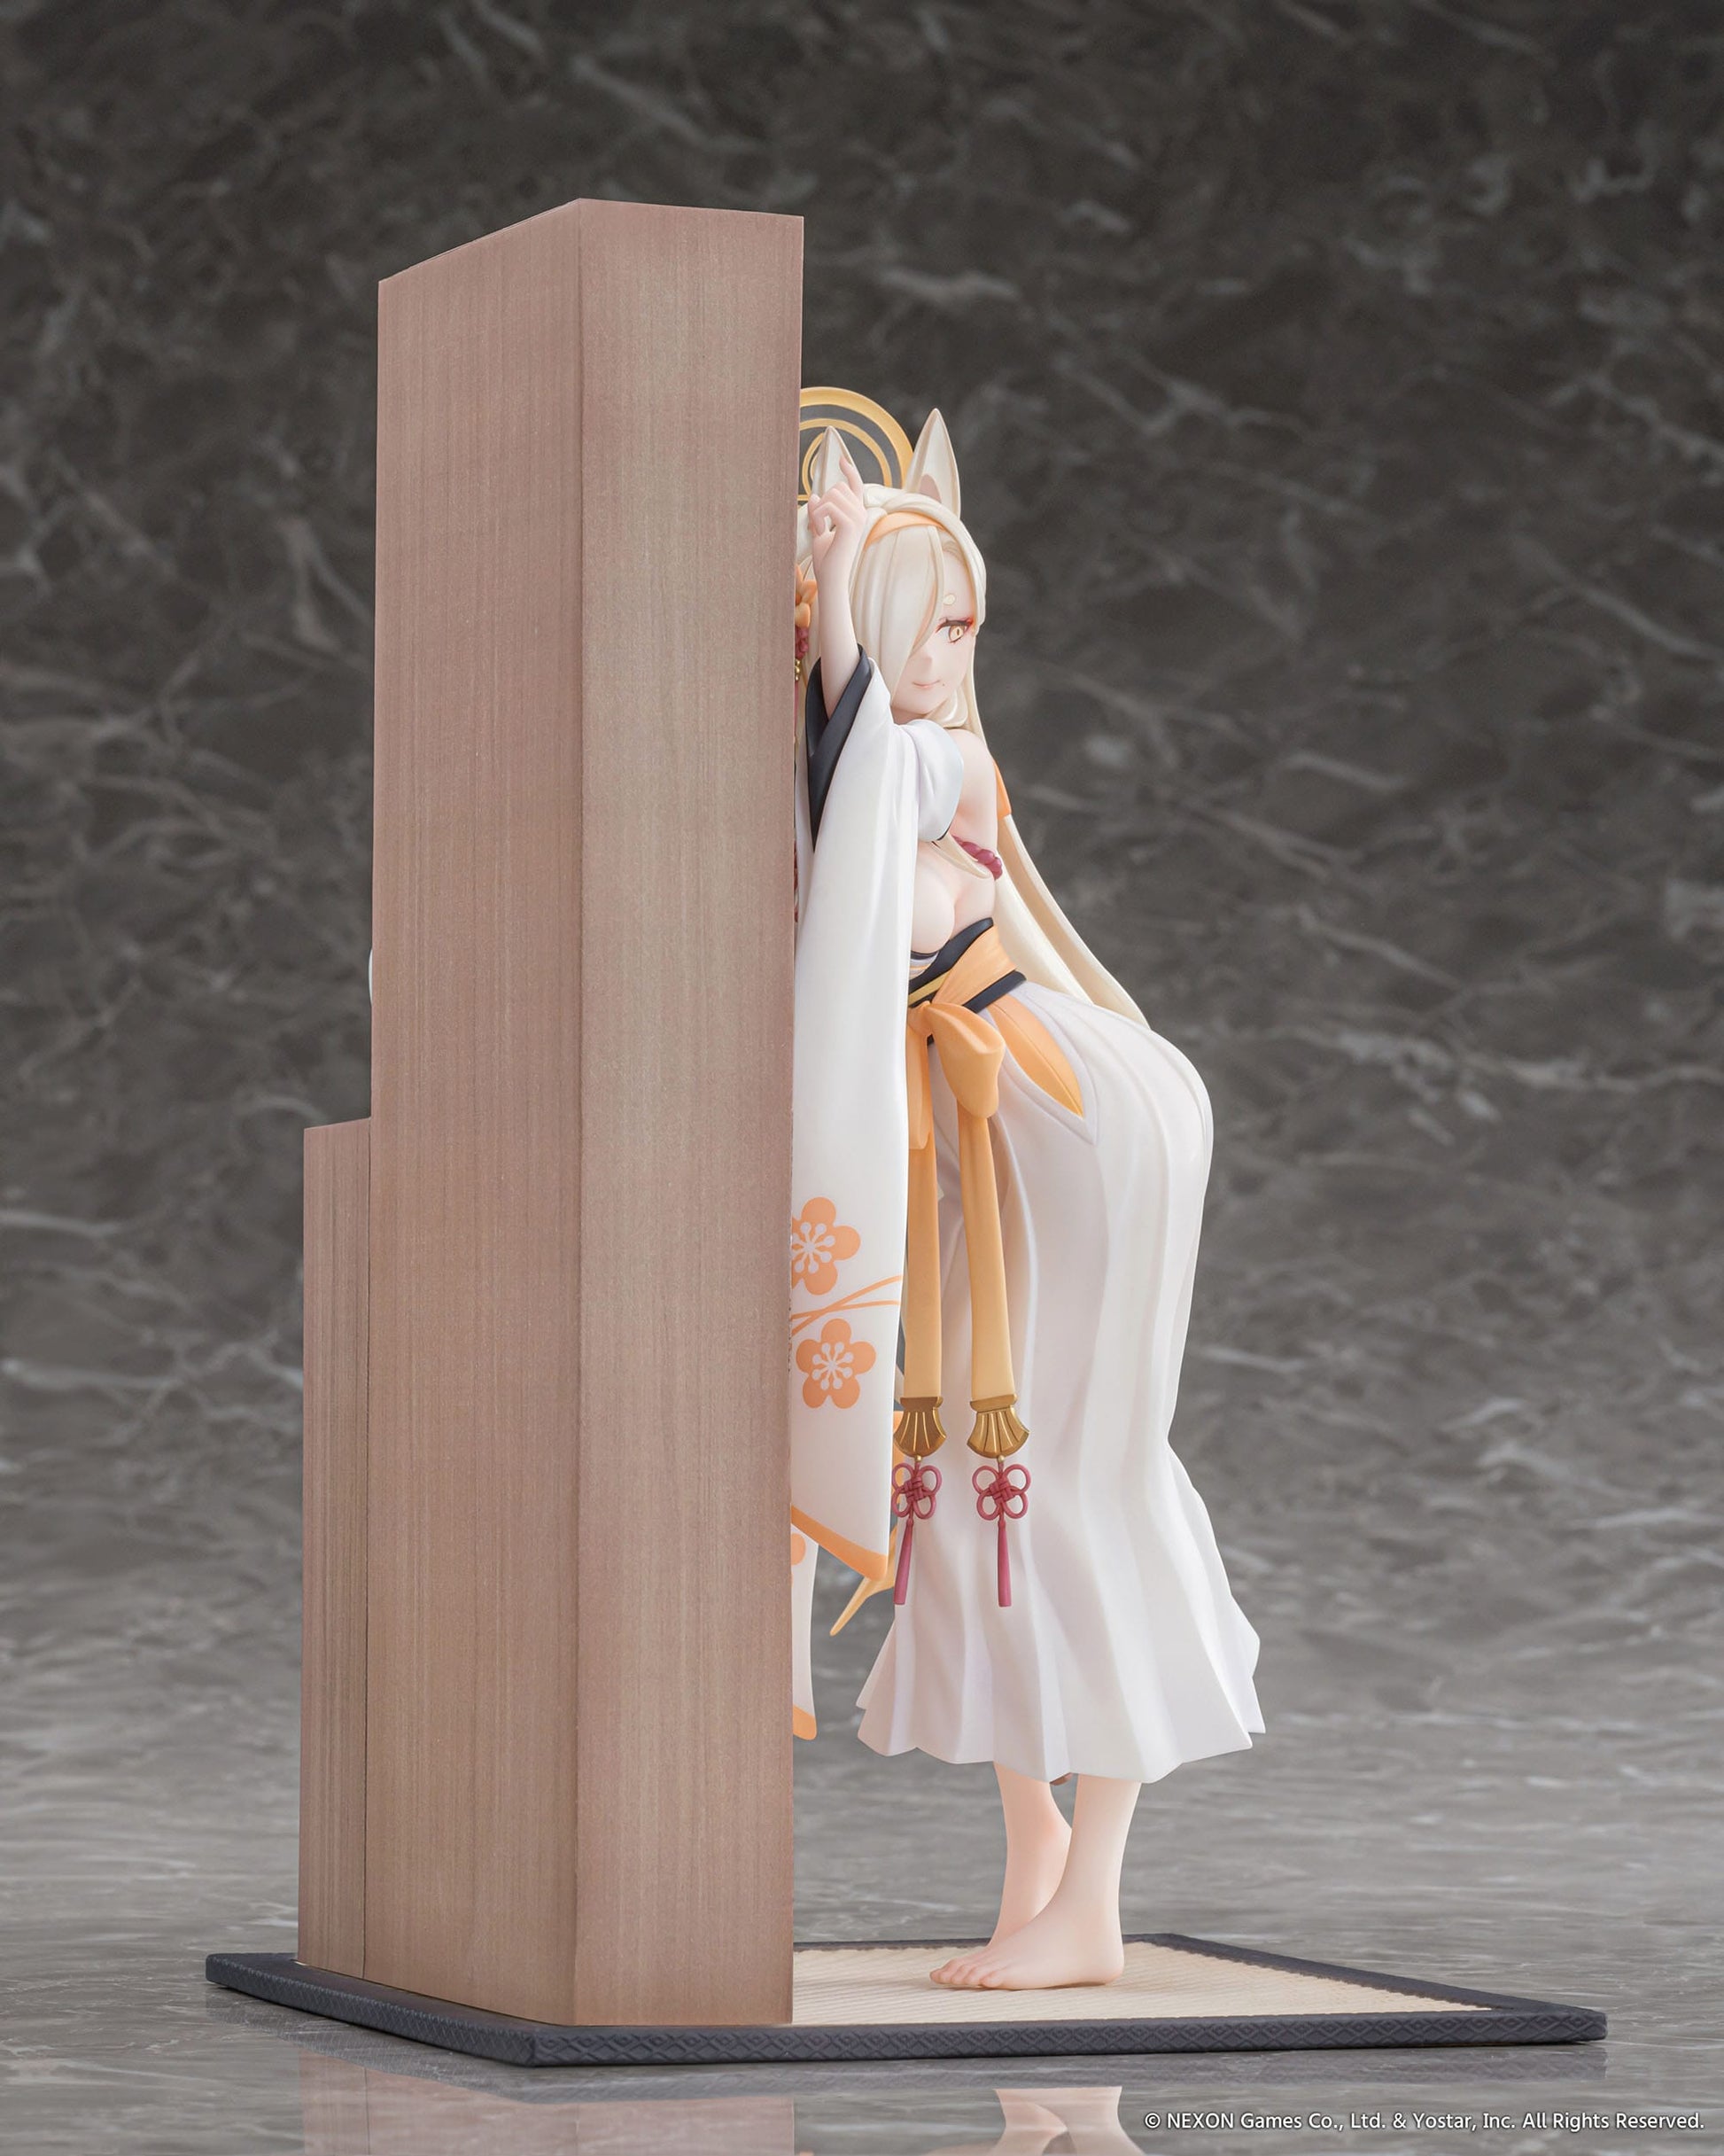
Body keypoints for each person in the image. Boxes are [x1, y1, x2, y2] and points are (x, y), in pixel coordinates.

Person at [788, 409, 1264, 1991]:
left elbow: (869, 783)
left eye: (960, 629)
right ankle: (1038, 1853)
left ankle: (1091, 1892)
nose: (950, 656)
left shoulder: (930, 760)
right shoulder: (893, 760)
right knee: (961, 1479)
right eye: (927, 626)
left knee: (1062, 1478)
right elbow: (843, 790)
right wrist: (838, 607)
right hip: (997, 1128)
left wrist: (847, 602)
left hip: (1059, 1117)